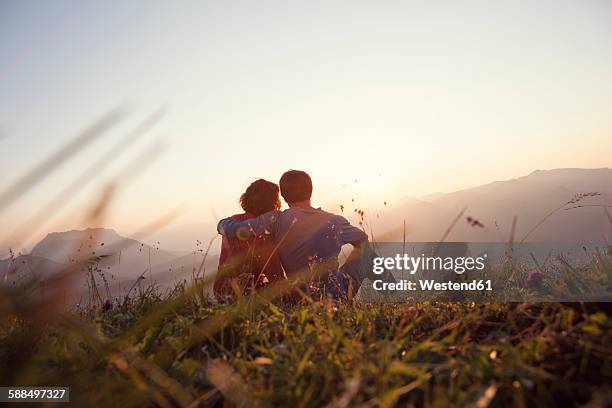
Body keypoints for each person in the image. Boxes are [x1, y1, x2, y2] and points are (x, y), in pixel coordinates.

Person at [217, 170, 371, 299]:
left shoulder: (272, 220)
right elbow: (363, 240)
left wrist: (222, 224)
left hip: (299, 295)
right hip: (336, 294)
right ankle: (393, 294)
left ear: (284, 196)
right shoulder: (335, 221)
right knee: (367, 255)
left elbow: (233, 229)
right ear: (310, 190)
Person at [213, 179, 286, 301]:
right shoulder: (261, 234)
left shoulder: (233, 221)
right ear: (273, 203)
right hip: (245, 293)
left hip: (220, 290)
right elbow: (276, 277)